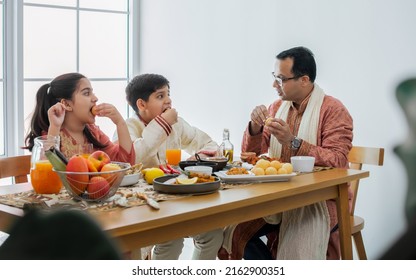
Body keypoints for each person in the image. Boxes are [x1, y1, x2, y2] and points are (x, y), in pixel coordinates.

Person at [218, 46, 353, 260]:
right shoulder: (276, 108)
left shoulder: (333, 110)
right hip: (276, 195)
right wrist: (255, 127)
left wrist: (293, 142)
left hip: (319, 199)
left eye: (281, 79)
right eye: (274, 77)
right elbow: (250, 156)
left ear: (304, 80)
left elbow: (337, 160)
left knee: (299, 249)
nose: (274, 85)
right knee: (227, 229)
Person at [114, 73, 223, 260]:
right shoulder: (126, 128)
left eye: (168, 94)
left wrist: (193, 160)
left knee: (213, 234)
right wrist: (162, 123)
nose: (168, 100)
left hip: (177, 199)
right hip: (142, 206)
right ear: (141, 105)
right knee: (171, 237)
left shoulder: (176, 124)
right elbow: (131, 157)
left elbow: (210, 144)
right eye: (160, 96)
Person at [24, 72, 135, 165]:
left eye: (93, 92)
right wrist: (55, 126)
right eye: (86, 93)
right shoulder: (52, 135)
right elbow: (47, 171)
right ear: (67, 104)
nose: (95, 98)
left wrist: (120, 123)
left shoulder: (94, 133)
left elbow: (125, 163)